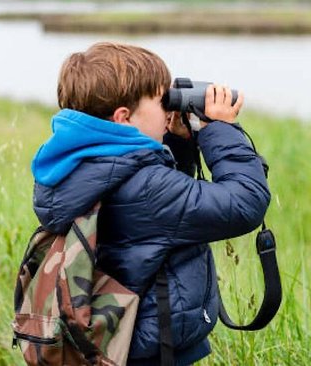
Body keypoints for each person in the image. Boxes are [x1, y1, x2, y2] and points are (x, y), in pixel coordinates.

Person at [31, 42, 271, 365]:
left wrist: (178, 145)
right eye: (162, 102)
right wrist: (220, 131)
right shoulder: (147, 187)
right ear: (123, 118)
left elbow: (161, 217)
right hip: (154, 350)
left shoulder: (83, 166)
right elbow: (246, 202)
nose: (170, 110)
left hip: (119, 339)